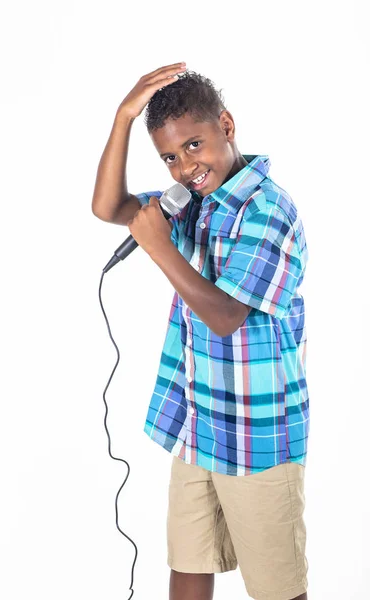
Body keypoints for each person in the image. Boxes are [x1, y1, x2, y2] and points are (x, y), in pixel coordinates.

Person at [92, 62, 310, 600]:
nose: (185, 167)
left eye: (194, 145)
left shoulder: (269, 210)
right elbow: (108, 207)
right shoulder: (195, 204)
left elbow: (226, 315)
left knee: (277, 587)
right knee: (189, 564)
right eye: (169, 157)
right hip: (198, 422)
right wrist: (123, 117)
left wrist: (160, 249)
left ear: (226, 127)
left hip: (258, 435)